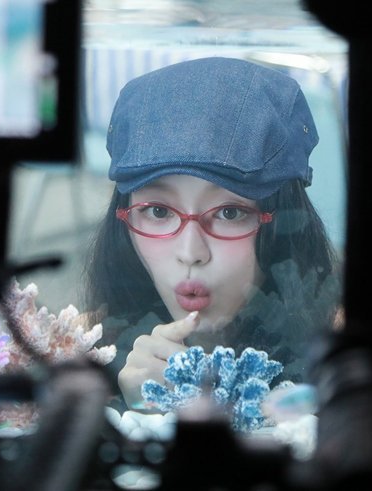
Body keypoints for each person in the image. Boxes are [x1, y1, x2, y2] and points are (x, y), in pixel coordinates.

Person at [82, 57, 343, 411]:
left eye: (229, 213)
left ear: (284, 224)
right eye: (158, 211)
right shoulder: (87, 347)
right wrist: (133, 413)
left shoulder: (343, 361)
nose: (191, 252)